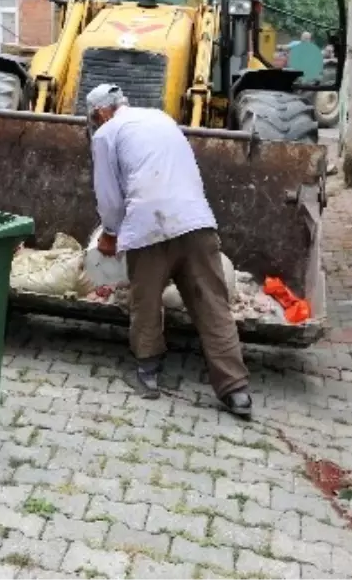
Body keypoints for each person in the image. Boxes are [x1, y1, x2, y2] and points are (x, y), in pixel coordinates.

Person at [86, 83, 253, 419]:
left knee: (145, 300)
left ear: (101, 112)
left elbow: (109, 197)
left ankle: (148, 373)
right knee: (212, 305)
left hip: (148, 226)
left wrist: (110, 233)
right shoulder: (162, 118)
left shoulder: (105, 134)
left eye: (93, 118)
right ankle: (236, 391)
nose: (94, 123)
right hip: (196, 222)